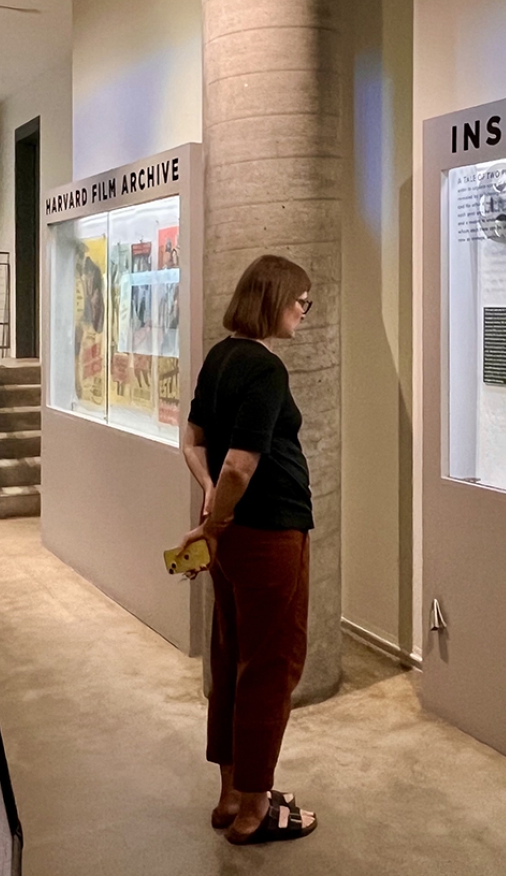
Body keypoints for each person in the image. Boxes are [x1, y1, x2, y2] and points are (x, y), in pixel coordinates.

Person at [178, 254, 317, 845]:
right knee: (271, 666)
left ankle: (231, 792)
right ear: (274, 299)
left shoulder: (219, 357)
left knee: (232, 657)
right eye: (299, 302)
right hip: (269, 535)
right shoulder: (264, 369)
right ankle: (257, 809)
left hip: (235, 536)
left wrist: (212, 505)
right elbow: (240, 460)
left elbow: (193, 442)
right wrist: (213, 521)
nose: (303, 314)